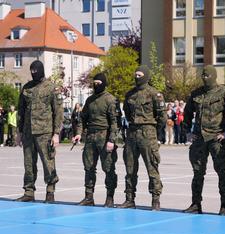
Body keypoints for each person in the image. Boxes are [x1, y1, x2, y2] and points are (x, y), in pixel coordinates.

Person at [183, 65, 225, 216]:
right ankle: (196, 204)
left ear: (213, 76)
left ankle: (224, 206)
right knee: (197, 172)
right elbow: (187, 113)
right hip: (199, 139)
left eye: (207, 75)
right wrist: (187, 132)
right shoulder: (196, 94)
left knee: (222, 173)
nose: (204, 77)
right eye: (203, 75)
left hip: (216, 139)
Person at [118, 65, 167, 211]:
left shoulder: (154, 94)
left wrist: (155, 132)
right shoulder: (130, 94)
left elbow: (162, 117)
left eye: (140, 75)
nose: (137, 77)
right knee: (130, 168)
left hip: (148, 133)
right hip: (132, 133)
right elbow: (127, 113)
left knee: (152, 167)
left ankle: (155, 199)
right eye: (136, 74)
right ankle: (129, 198)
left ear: (145, 76)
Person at [15, 60, 63, 203]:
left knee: (48, 163)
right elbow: (21, 111)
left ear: (41, 70)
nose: (33, 73)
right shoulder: (26, 88)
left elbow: (58, 112)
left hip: (45, 133)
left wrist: (56, 134)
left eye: (36, 71)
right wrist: (19, 132)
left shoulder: (51, 88)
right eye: (32, 71)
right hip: (28, 132)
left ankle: (50, 191)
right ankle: (29, 192)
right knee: (28, 164)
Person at [72, 73, 120, 207]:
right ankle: (89, 197)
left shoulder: (110, 99)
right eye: (94, 83)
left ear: (104, 83)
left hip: (105, 137)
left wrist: (112, 140)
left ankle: (109, 198)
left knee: (108, 168)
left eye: (99, 83)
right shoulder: (90, 100)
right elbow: (82, 118)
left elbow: (115, 122)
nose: (96, 85)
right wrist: (79, 133)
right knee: (88, 167)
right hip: (91, 137)